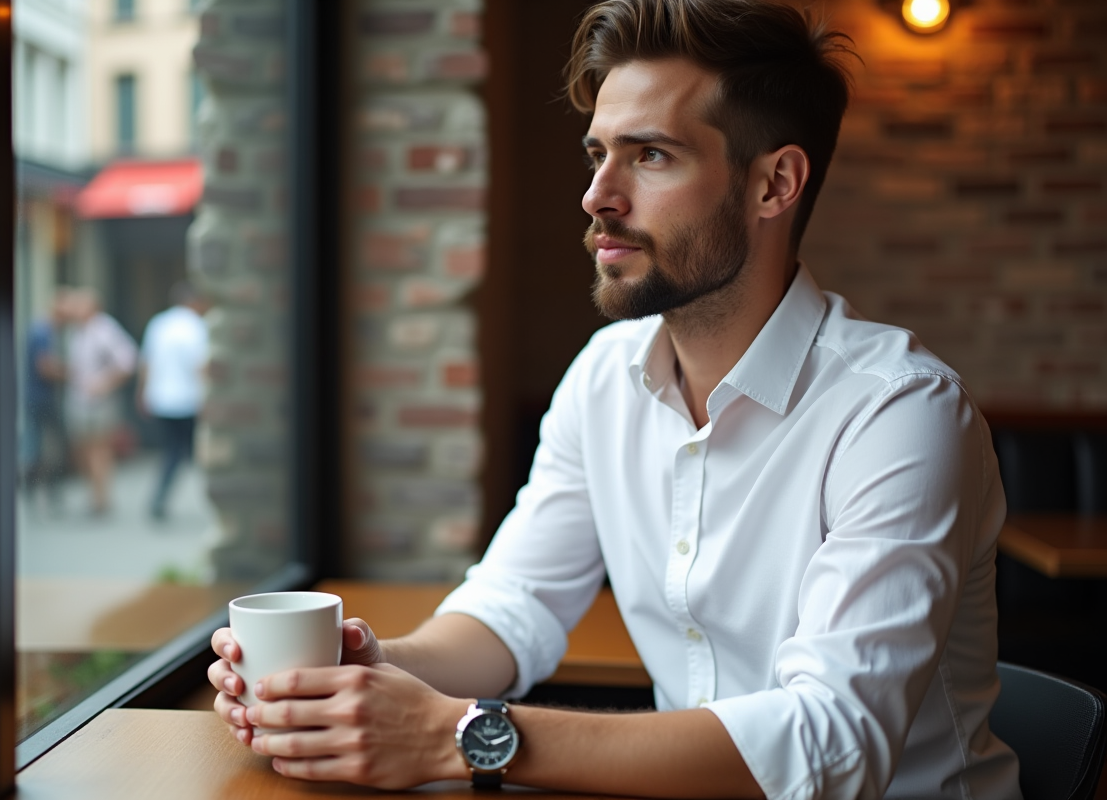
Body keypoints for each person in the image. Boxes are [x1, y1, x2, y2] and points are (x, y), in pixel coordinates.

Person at [208, 1, 1022, 797]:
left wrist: (452, 735)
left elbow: (831, 747)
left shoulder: (901, 414)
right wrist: (362, 676)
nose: (599, 195)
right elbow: (509, 611)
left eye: (651, 156)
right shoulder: (604, 378)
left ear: (775, 184)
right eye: (597, 153)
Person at [136, 281, 209, 520]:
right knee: (194, 452)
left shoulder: (159, 323)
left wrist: (142, 393)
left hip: (161, 399)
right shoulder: (196, 326)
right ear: (193, 301)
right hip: (189, 400)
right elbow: (199, 366)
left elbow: (146, 362)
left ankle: (160, 498)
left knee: (173, 451)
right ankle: (213, 500)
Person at [65, 288, 137, 516]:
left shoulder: (104, 330)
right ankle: (94, 495)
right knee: (83, 450)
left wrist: (104, 384)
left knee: (99, 449)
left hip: (99, 401)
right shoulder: (76, 332)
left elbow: (127, 360)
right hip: (78, 399)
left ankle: (100, 499)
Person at [21, 288, 72, 507]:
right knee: (48, 446)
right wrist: (73, 373)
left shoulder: (44, 329)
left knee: (40, 444)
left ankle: (39, 492)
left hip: (38, 395)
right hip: (41, 396)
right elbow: (45, 367)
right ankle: (43, 491)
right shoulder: (42, 331)